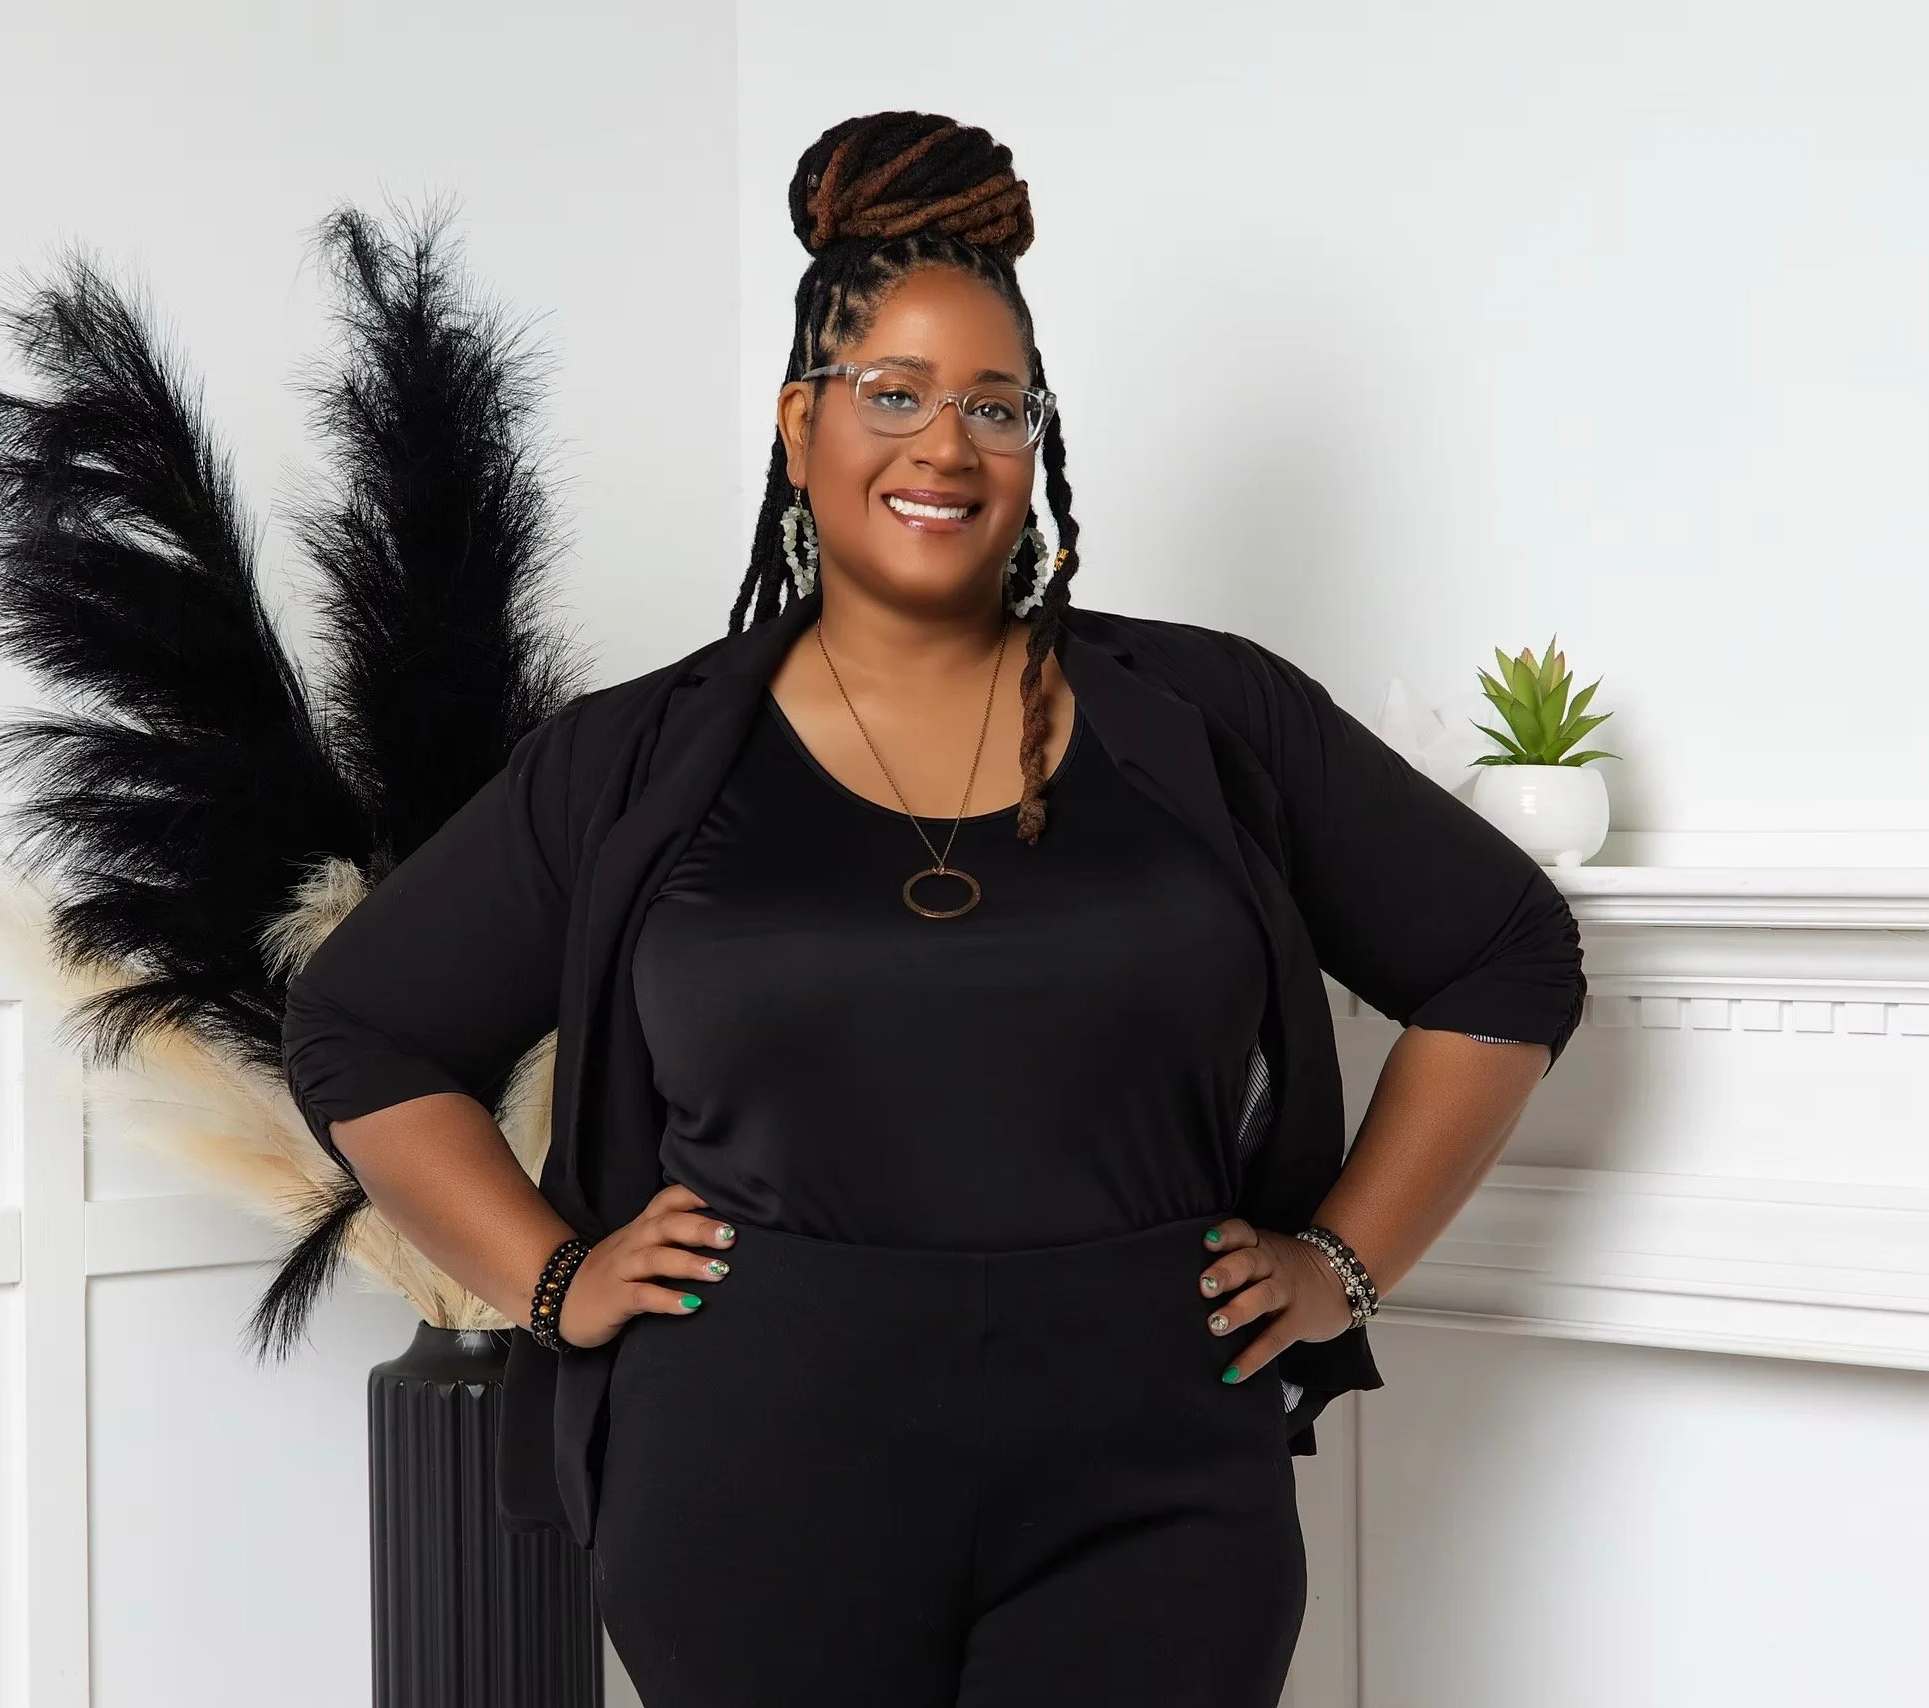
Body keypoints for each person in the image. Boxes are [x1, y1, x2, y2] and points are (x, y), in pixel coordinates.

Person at [280, 110, 1585, 1708]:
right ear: (797, 422)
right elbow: (359, 1029)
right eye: (890, 394)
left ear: (1036, 442)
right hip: (751, 1474)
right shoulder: (635, 759)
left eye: (993, 405)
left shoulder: (1208, 715)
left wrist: (1344, 1261)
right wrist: (554, 1278)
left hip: (1155, 1481)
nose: (944, 445)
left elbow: (1501, 954)